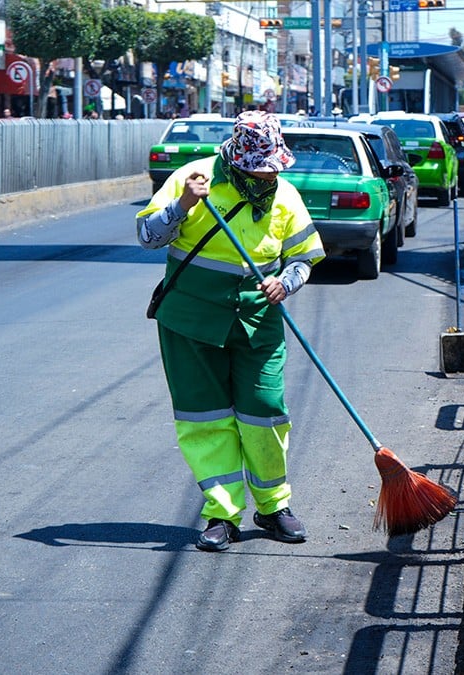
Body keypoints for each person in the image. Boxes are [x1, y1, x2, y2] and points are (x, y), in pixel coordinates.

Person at [135, 111, 325, 552]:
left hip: (257, 321)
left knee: (265, 409)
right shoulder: (192, 178)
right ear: (237, 160)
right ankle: (221, 513)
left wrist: (287, 282)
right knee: (206, 417)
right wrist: (182, 205)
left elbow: (303, 257)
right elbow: (147, 235)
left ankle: (274, 506)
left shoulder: (285, 195)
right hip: (191, 321)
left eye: (273, 169)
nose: (267, 177)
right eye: (258, 169)